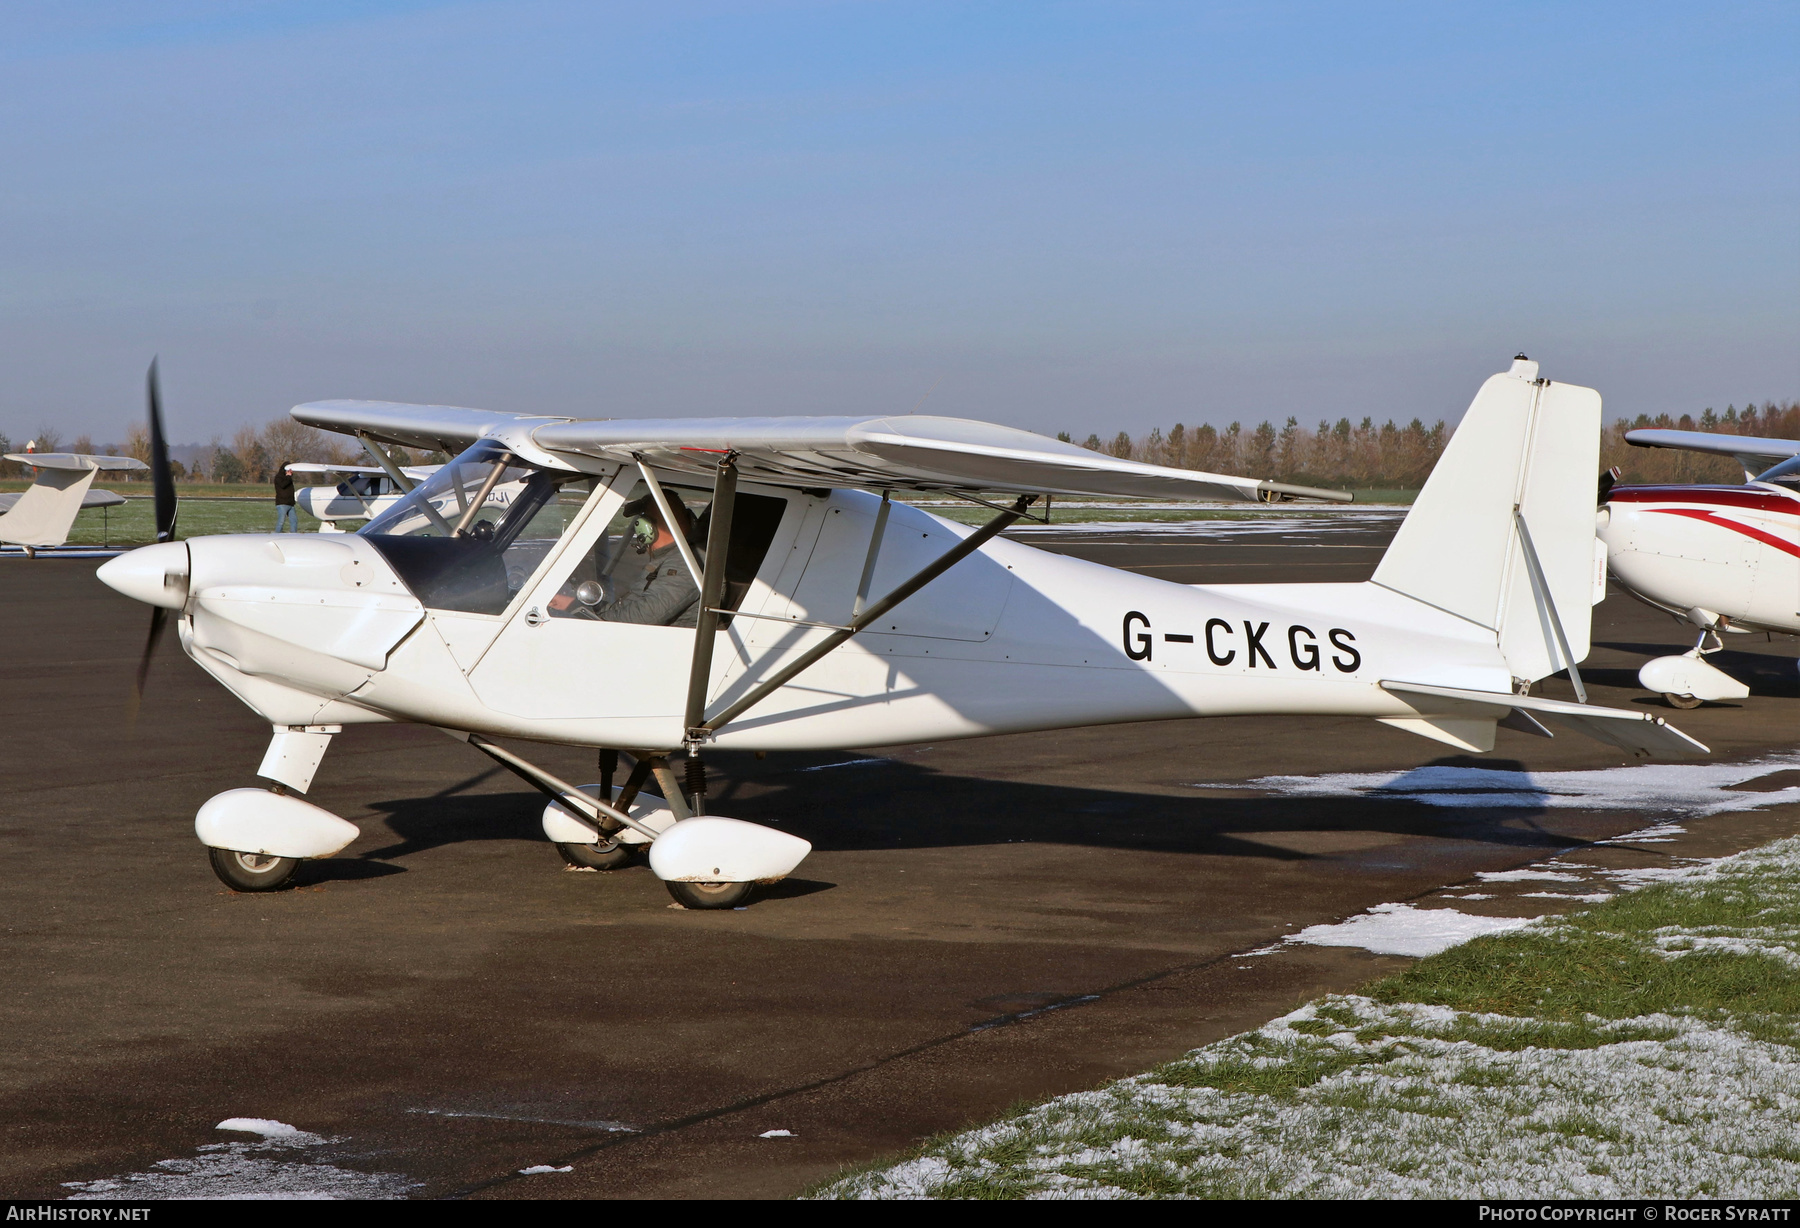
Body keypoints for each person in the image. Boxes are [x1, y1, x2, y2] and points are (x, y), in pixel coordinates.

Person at [273, 462, 298, 532]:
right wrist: (288, 476)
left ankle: (294, 535)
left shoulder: (288, 478)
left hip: (290, 503)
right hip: (282, 503)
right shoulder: (279, 477)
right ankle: (277, 534)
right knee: (281, 521)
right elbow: (283, 485)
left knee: (294, 521)